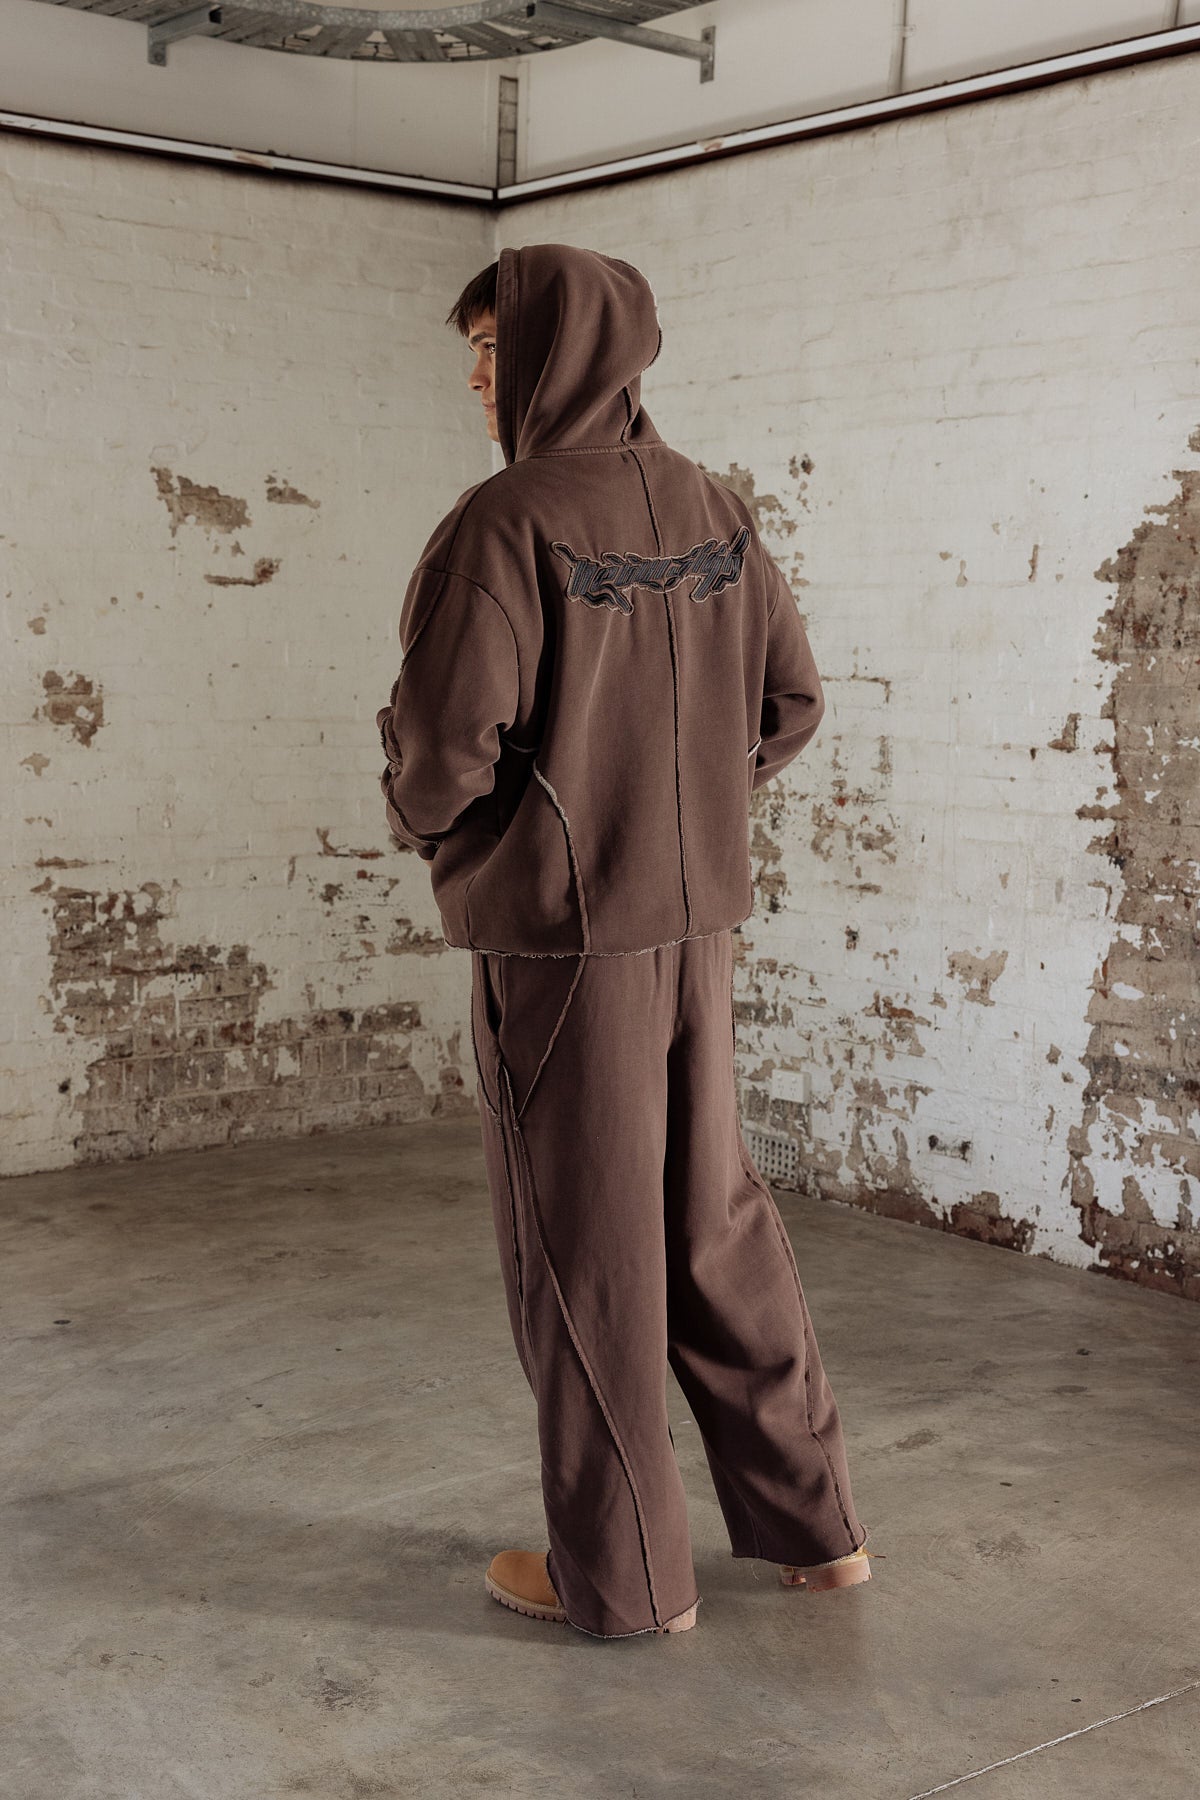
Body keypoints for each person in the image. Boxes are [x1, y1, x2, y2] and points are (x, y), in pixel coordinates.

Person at [376, 243, 871, 1639]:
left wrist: (444, 828)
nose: (479, 381)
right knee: (716, 1223)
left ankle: (625, 1578)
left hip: (564, 945)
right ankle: (819, 1531)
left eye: (494, 350)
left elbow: (441, 755)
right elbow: (790, 703)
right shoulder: (715, 506)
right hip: (698, 929)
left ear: (561, 352)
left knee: (583, 1247)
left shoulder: (504, 520)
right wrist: (687, 814)